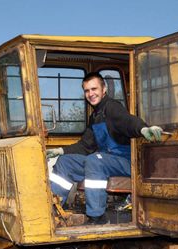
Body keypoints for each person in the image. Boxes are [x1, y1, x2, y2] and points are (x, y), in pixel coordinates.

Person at [47, 72, 163, 225]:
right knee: (65, 162)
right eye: (87, 90)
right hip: (105, 161)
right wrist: (60, 151)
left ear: (104, 89)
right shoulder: (95, 116)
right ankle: (53, 209)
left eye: (94, 89)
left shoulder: (112, 107)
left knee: (95, 160)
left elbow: (127, 121)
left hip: (125, 162)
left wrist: (142, 129)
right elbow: (85, 145)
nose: (91, 94)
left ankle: (97, 216)